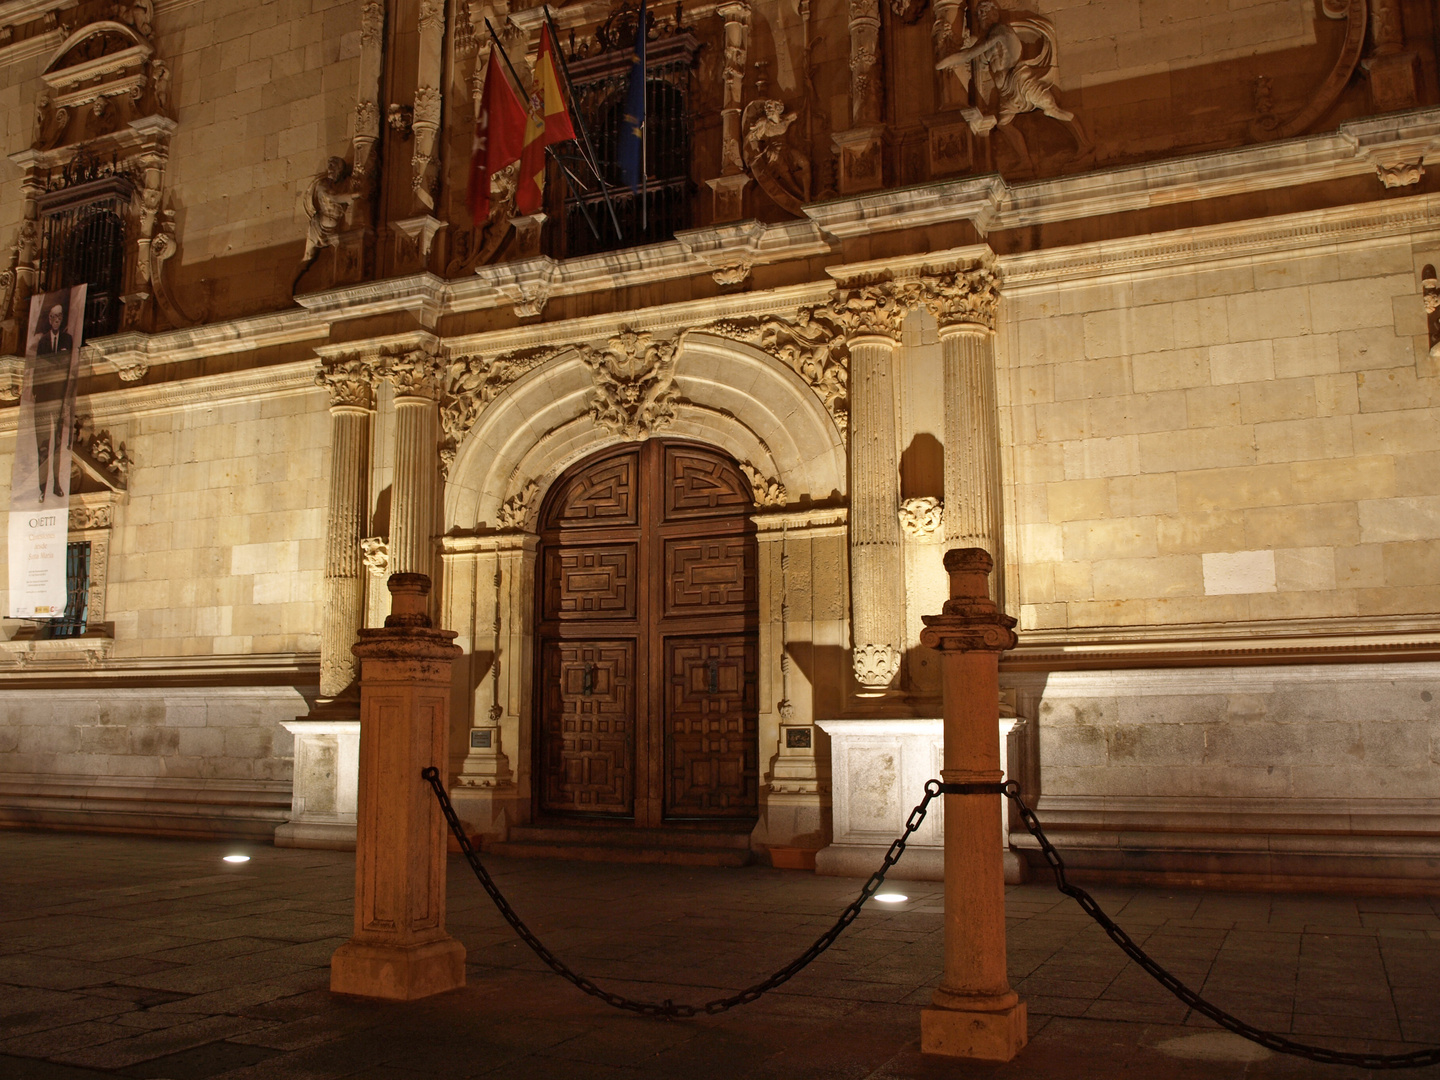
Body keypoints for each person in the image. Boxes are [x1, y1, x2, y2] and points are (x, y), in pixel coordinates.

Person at [31, 301, 73, 503]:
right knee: (43, 446)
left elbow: (66, 369)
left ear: (61, 319)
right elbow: (38, 369)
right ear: (49, 320)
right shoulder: (43, 342)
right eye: (53, 317)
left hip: (58, 397)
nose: (56, 320)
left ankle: (56, 483)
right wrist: (35, 393)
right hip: (43, 398)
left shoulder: (67, 339)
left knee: (56, 444)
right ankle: (42, 488)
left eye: (59, 317)